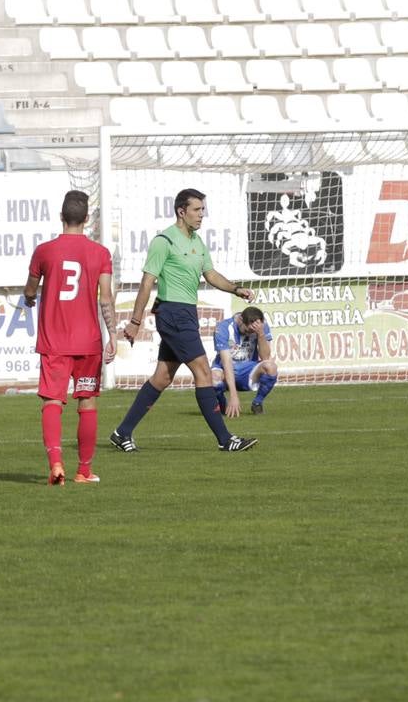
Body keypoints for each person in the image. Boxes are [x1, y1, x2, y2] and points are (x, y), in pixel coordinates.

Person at [109, 188, 259, 453]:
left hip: (186, 313)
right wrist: (135, 320)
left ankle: (122, 433)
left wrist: (236, 289)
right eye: (197, 210)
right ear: (182, 211)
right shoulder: (164, 241)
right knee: (202, 370)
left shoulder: (197, 242)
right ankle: (226, 440)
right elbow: (147, 282)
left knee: (162, 377)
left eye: (203, 210)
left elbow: (210, 274)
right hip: (172, 313)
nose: (202, 215)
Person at [21, 190, 117, 486]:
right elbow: (106, 298)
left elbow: (30, 288)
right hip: (88, 342)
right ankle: (84, 470)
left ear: (61, 216)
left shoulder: (44, 251)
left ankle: (56, 464)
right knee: (87, 403)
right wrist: (112, 334)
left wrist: (29, 298)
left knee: (52, 401)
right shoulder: (100, 254)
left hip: (54, 341)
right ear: (87, 219)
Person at [212, 306, 278, 416]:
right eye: (248, 330)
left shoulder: (261, 326)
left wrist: (261, 334)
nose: (250, 334)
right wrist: (233, 395)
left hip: (248, 371)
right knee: (213, 377)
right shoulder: (223, 328)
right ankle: (223, 405)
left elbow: (265, 357)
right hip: (226, 369)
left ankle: (257, 403)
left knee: (271, 367)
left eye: (253, 332)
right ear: (241, 320)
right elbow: (226, 362)